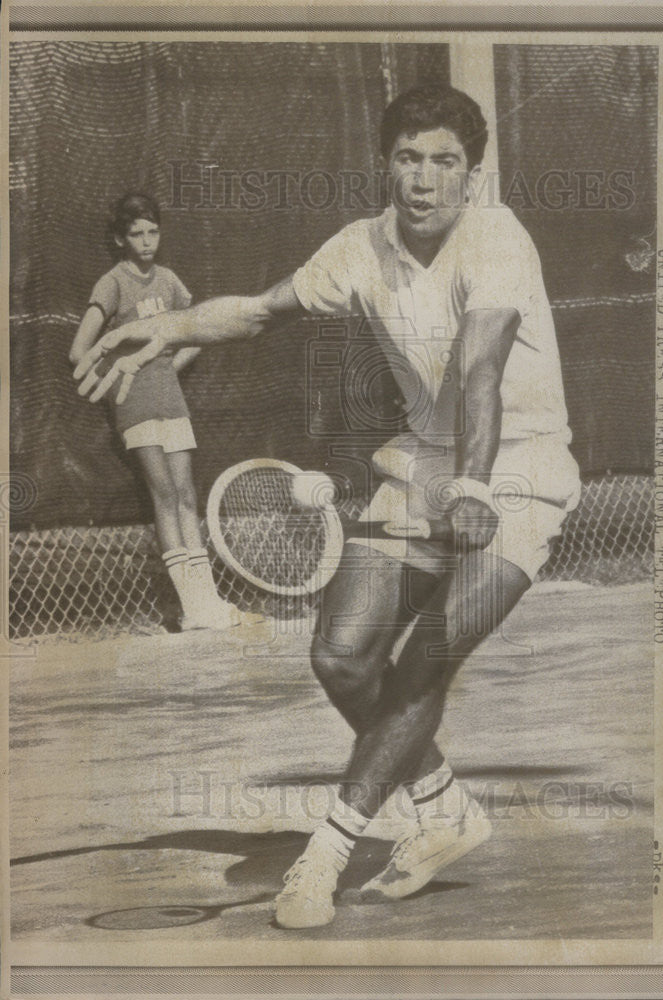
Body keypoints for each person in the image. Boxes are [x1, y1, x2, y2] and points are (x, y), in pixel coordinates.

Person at [74, 86, 581, 928]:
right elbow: (262, 311)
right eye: (408, 158)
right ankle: (444, 805)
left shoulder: (497, 236)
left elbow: (482, 371)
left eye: (444, 161)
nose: (423, 179)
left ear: (472, 174)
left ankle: (328, 851)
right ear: (386, 164)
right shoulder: (357, 250)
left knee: (430, 651)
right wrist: (171, 330)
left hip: (519, 472)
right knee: (343, 655)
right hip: (422, 464)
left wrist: (476, 489)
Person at [70, 193, 245, 631]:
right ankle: (192, 609)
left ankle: (208, 604)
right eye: (136, 233)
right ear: (119, 239)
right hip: (135, 404)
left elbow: (196, 332)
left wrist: (165, 363)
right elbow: (79, 352)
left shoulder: (168, 280)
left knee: (187, 497)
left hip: (171, 398)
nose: (146, 241)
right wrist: (117, 377)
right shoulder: (112, 283)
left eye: (152, 231)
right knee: (165, 496)